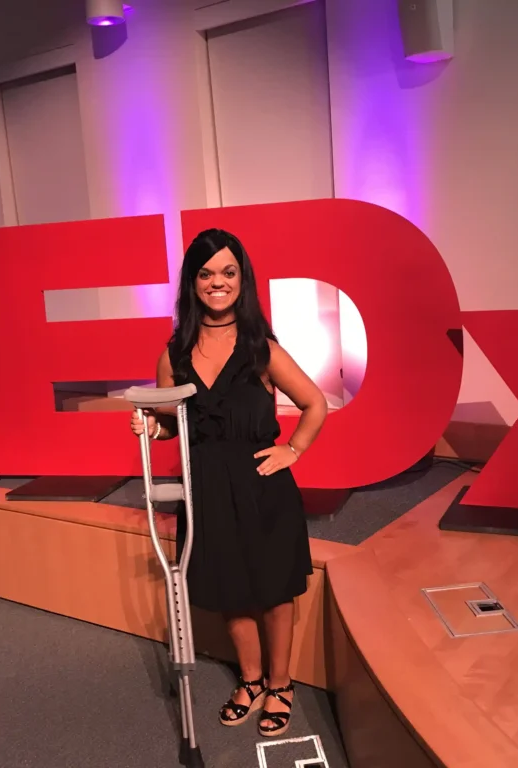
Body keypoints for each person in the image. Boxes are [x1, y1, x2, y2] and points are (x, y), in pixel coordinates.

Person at [130, 228, 327, 738]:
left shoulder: (262, 347)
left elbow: (314, 403)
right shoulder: (173, 353)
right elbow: (171, 419)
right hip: (206, 488)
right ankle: (253, 680)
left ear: (242, 279)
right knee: (231, 591)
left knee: (273, 591)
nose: (218, 283)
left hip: (262, 486)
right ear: (192, 283)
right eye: (206, 274)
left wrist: (294, 450)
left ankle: (281, 685)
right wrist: (153, 425)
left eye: (228, 272)